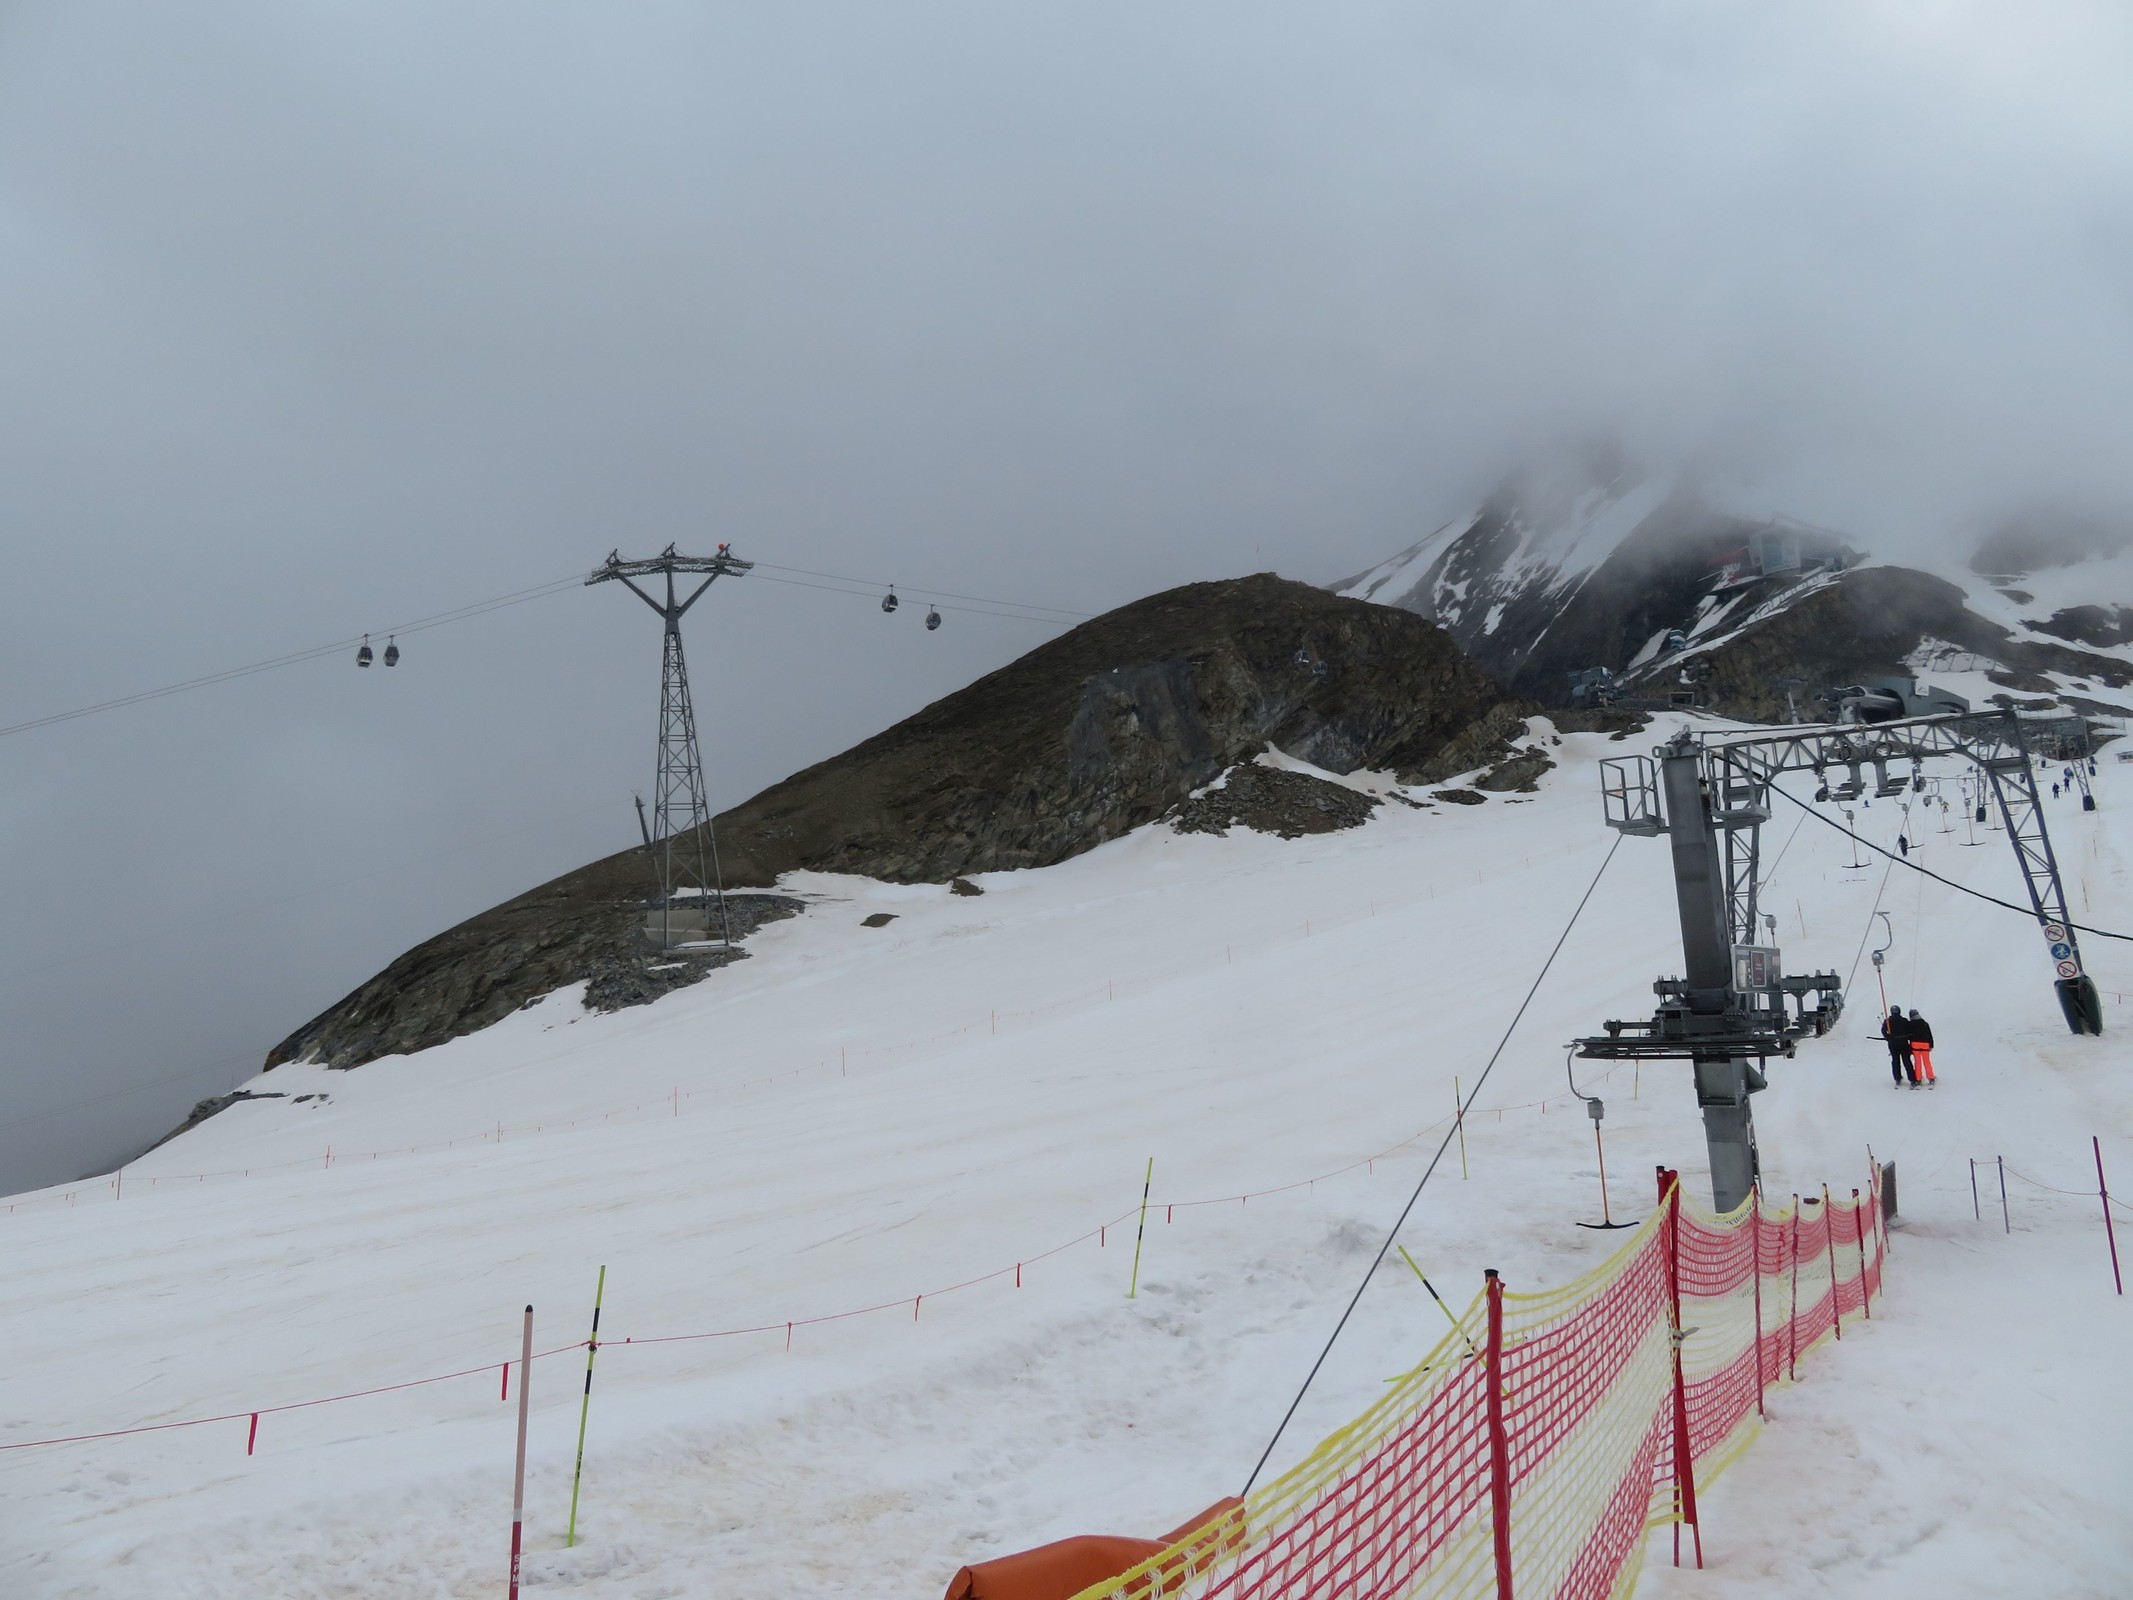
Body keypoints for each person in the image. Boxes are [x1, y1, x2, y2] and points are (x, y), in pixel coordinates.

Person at [1882, 1006, 1914, 1087]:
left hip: (1893, 1044)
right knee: (1907, 1061)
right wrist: (1908, 1038)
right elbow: (1910, 1031)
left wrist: (1888, 1037)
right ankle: (1912, 1078)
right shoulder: (1904, 1020)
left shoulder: (1888, 1021)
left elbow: (1883, 1030)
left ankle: (1897, 1078)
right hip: (1904, 1043)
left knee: (1895, 1061)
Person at [1909, 1009, 1937, 1088]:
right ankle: (1931, 1077)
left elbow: (1909, 1036)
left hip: (1915, 1045)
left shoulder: (1910, 1024)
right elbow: (1929, 1035)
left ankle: (1918, 1079)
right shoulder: (1925, 1024)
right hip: (1925, 1045)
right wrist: (1931, 1045)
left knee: (1917, 1062)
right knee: (1927, 1062)